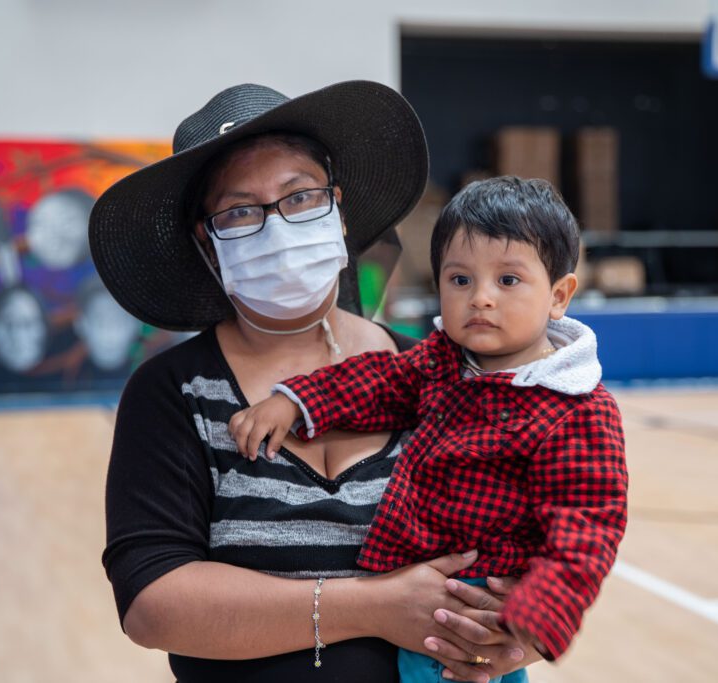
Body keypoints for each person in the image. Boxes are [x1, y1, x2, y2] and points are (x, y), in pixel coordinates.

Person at [93, 81, 544, 683]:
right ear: (208, 241)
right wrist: (375, 608)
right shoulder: (174, 392)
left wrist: (520, 632)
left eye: (299, 196)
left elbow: (535, 550)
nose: (277, 227)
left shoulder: (447, 375)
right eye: (240, 210)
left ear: (337, 205)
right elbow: (154, 604)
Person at [229, 176, 629, 682]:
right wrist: (297, 400)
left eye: (508, 280)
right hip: (415, 585)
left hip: (483, 599)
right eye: (460, 279)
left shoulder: (576, 407)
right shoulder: (441, 362)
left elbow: (588, 522)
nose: (480, 298)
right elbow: (375, 382)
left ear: (558, 295)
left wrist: (540, 613)